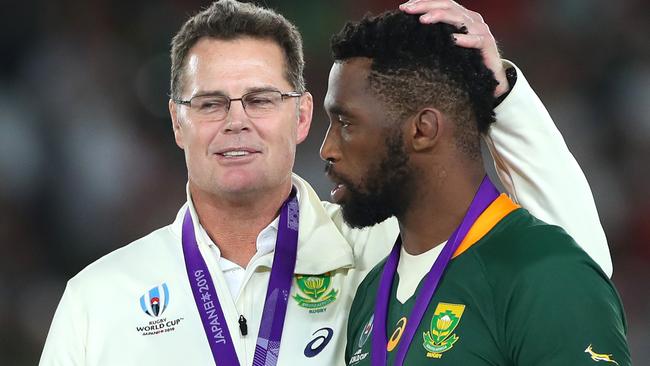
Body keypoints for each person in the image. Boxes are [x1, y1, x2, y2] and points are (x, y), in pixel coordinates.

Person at [39, 1, 613, 365]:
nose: (236, 120)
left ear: (303, 116)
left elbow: (571, 258)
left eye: (261, 99)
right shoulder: (99, 299)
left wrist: (503, 100)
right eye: (210, 102)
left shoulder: (380, 250)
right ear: (176, 121)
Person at [323, 8, 630, 366]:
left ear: (423, 130)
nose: (326, 149)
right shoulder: (371, 293)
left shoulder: (544, 272)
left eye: (345, 122)